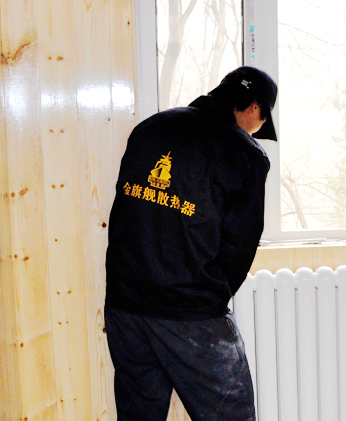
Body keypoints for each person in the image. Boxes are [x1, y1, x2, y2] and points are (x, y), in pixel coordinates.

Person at [104, 66, 277, 421]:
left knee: (138, 414)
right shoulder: (244, 153)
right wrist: (209, 297)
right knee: (231, 416)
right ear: (255, 108)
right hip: (190, 311)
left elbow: (126, 213)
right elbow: (240, 246)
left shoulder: (151, 127)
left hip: (125, 306)